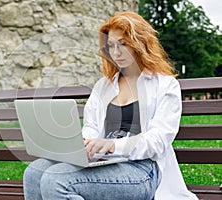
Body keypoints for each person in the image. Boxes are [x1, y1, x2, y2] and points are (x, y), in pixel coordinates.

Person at [23, 11, 198, 199]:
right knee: (33, 173)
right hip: (103, 162)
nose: (116, 52)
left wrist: (113, 145)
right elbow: (91, 127)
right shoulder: (104, 86)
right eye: (111, 46)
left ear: (141, 43)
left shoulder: (164, 85)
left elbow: (157, 141)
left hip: (142, 169)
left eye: (123, 44)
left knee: (55, 181)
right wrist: (86, 145)